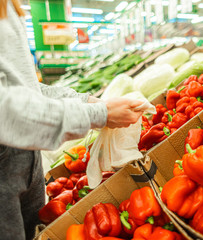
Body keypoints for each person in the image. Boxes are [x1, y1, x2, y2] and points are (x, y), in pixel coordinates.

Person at [0, 0, 144, 239]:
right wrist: (100, 114)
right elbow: (6, 109)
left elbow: (25, 88)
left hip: (25, 157)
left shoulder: (9, 6)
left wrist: (91, 103)